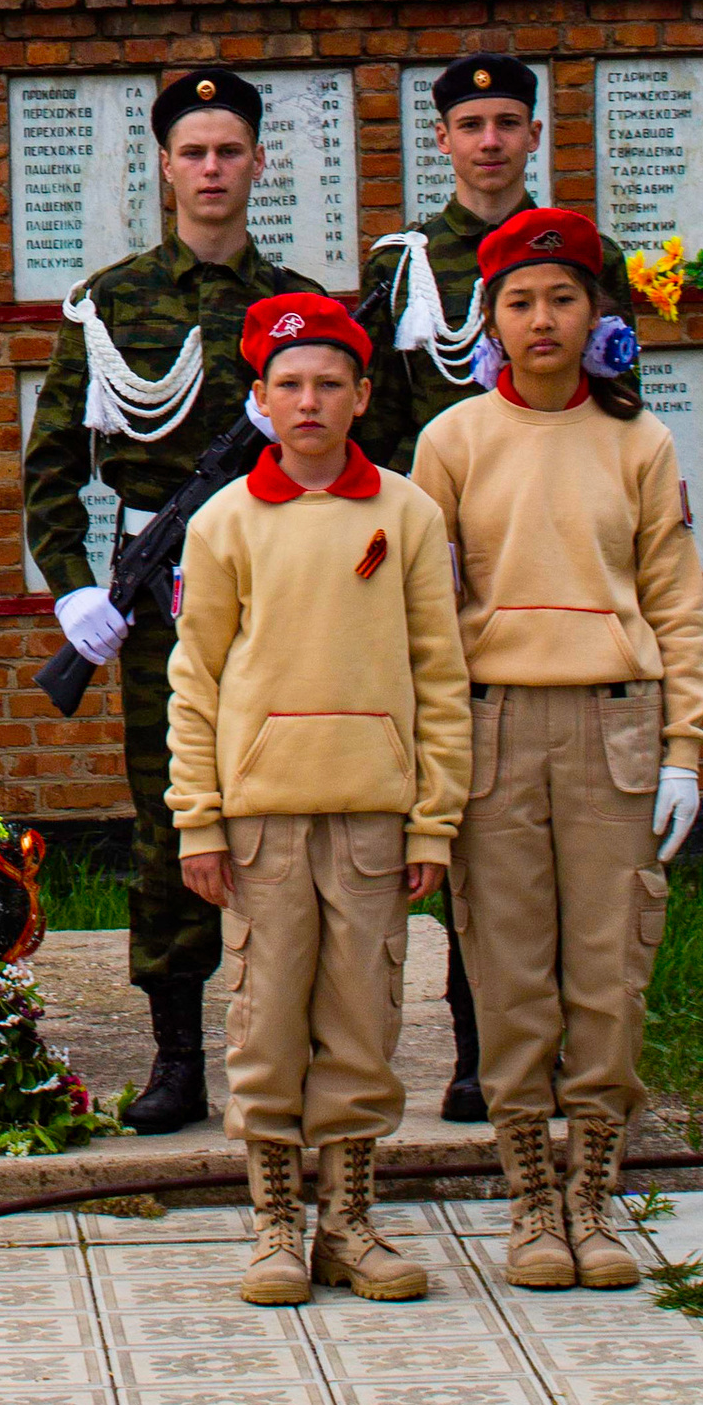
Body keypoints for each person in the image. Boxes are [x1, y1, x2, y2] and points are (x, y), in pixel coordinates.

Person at [410, 207, 703, 1292]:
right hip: (494, 729)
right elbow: (430, 615)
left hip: (613, 730)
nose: (542, 320)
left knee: (607, 973)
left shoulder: (638, 442)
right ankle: (529, 1199)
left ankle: (594, 1195)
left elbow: (676, 605)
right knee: (509, 976)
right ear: (490, 320)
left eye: (562, 298)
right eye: (519, 302)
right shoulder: (451, 442)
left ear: (596, 314)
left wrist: (682, 747)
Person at [24, 66, 321, 1132]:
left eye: (228, 151)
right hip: (157, 605)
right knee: (168, 822)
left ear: (255, 164)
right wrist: (70, 595)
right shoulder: (109, 302)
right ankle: (176, 1058)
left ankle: (290, 1038)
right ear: (163, 165)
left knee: (289, 811)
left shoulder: (296, 312)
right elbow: (52, 463)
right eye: (192, 152)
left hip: (280, 598)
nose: (210, 170)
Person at [169, 293, 471, 1307]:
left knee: (360, 1017)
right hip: (261, 817)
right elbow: (195, 680)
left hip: (374, 813)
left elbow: (439, 674)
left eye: (328, 384)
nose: (308, 402)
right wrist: (198, 818)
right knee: (264, 1019)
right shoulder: (224, 522)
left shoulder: (406, 512)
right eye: (288, 384)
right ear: (259, 397)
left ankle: (348, 1218)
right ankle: (272, 1222)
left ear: (360, 395)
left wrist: (432, 816)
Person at [356, 52, 634, 1121]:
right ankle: (477, 1051)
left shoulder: (585, 256)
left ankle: (554, 1047)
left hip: (557, 559)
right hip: (447, 564)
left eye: (505, 122)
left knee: (557, 842)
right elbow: (374, 425)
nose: (486, 141)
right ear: (441, 139)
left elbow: (616, 402)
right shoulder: (404, 264)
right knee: (473, 824)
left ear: (531, 136)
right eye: (468, 123)